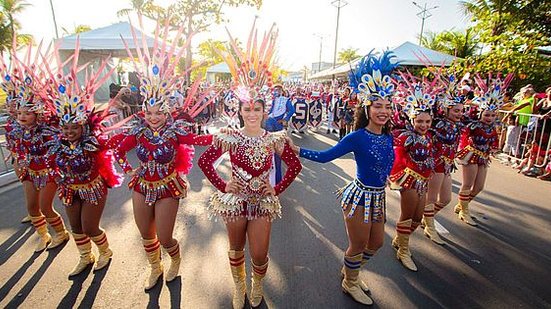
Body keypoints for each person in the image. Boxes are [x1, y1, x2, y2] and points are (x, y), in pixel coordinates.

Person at [199, 22, 302, 309]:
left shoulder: (274, 138)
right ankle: (239, 285)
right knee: (235, 249)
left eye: (258, 108)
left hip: (262, 202)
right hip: (234, 200)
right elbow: (204, 161)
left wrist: (276, 187)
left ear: (265, 109)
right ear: (239, 110)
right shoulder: (229, 136)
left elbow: (294, 167)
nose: (253, 113)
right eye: (248, 109)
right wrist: (223, 184)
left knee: (258, 253)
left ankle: (257, 284)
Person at [288, 52, 399, 305]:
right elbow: (327, 156)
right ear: (367, 108)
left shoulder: (388, 137)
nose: (383, 111)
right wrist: (299, 150)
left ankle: (352, 270)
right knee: (358, 245)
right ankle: (350, 281)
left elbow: (386, 164)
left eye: (387, 106)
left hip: (378, 198)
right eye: (378, 106)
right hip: (358, 197)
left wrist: (392, 178)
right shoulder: (356, 136)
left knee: (377, 243)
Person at [112, 17, 214, 291]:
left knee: (166, 236)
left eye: (159, 113)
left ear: (167, 112)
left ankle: (174, 260)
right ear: (144, 111)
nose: (154, 117)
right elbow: (118, 150)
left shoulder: (175, 131)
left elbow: (198, 138)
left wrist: (223, 135)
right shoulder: (139, 131)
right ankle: (155, 267)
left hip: (168, 185)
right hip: (141, 184)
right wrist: (128, 169)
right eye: (149, 112)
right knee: (145, 233)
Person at [42, 52, 122, 277]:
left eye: (74, 128)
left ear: (83, 128)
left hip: (93, 188)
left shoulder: (93, 144)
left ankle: (105, 251)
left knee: (89, 227)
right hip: (69, 189)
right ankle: (85, 257)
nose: (69, 132)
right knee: (75, 227)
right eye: (65, 128)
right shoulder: (57, 144)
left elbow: (114, 143)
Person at [8, 49, 70, 252]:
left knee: (45, 207)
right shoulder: (16, 130)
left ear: (37, 113)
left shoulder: (48, 131)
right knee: (32, 208)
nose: (22, 116)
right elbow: (16, 150)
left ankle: (60, 233)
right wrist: (19, 162)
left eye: (27, 112)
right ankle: (43, 235)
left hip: (48, 173)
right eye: (19, 113)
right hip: (29, 172)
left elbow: (61, 147)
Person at [389, 72, 438, 272]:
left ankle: (399, 239)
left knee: (418, 218)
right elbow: (397, 158)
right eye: (420, 121)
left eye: (427, 121)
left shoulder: (429, 137)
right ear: (412, 119)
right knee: (407, 216)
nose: (424, 125)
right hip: (409, 180)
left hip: (423, 180)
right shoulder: (404, 137)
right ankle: (403, 250)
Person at [454, 74, 514, 226]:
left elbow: (493, 140)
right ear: (480, 113)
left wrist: (494, 148)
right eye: (487, 114)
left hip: (484, 157)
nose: (490, 117)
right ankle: (464, 211)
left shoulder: (492, 127)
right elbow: (460, 120)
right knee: (468, 184)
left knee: (479, 187)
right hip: (471, 155)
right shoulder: (472, 124)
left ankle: (462, 204)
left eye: (493, 115)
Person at [423, 75, 465, 245]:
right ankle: (429, 226)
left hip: (447, 165)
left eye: (461, 111)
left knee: (446, 199)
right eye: (456, 110)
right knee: (431, 198)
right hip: (436, 165)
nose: (460, 114)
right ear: (446, 109)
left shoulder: (456, 125)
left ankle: (427, 218)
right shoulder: (437, 124)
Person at [265, 84, 295, 183]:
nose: (276, 91)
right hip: (270, 122)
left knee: (277, 152)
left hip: (278, 125)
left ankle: (277, 180)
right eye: (275, 90)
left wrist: (285, 119)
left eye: (278, 89)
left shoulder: (286, 100)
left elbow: (292, 110)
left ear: (282, 90)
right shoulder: (274, 100)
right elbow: (271, 110)